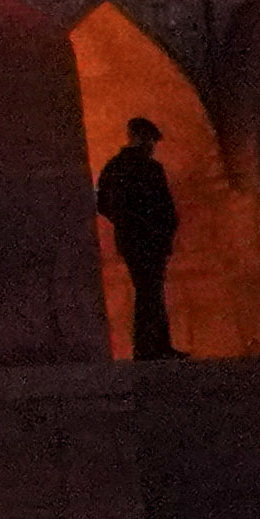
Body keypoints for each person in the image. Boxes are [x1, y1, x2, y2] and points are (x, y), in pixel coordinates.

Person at [97, 114, 185, 360]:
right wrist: (160, 229)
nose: (152, 145)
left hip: (134, 239)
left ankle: (151, 347)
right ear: (142, 138)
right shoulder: (149, 168)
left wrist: (125, 222)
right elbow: (164, 207)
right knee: (151, 292)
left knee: (148, 291)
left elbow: (103, 203)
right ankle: (153, 347)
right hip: (150, 239)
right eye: (150, 140)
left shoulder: (115, 167)